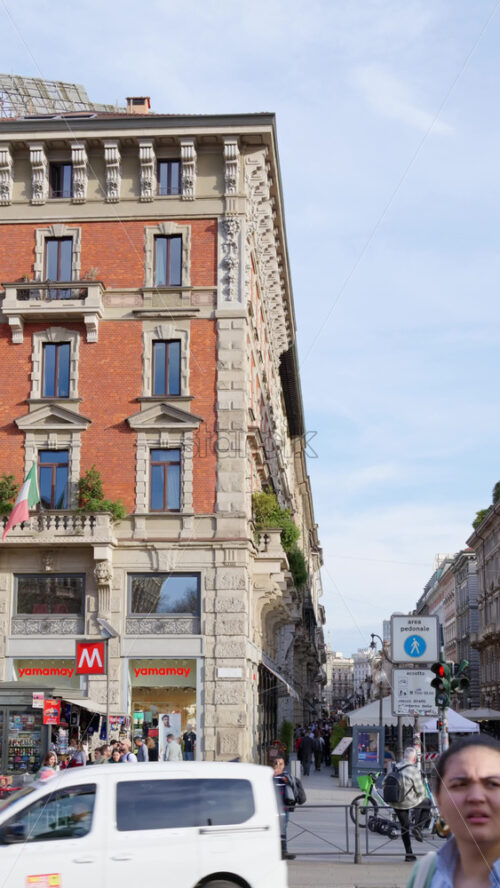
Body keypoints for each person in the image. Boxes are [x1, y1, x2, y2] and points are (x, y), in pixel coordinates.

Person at [406, 734, 500, 887]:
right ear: (439, 801)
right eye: (460, 784)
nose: (476, 797)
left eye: (493, 784)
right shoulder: (425, 874)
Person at [387, 746, 427, 862]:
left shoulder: (396, 767)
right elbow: (420, 791)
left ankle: (409, 854)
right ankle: (418, 827)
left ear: (404, 756)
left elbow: (386, 781)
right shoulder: (413, 770)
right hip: (408, 802)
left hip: (395, 801)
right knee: (427, 803)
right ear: (414, 759)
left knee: (405, 826)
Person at [273, 756, 296, 860]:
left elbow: (293, 784)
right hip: (271, 808)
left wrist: (287, 780)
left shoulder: (286, 775)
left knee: (283, 830)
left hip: (283, 808)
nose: (278, 765)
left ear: (284, 766)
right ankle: (273, 851)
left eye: (280, 764)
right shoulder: (269, 775)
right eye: (276, 763)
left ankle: (283, 851)